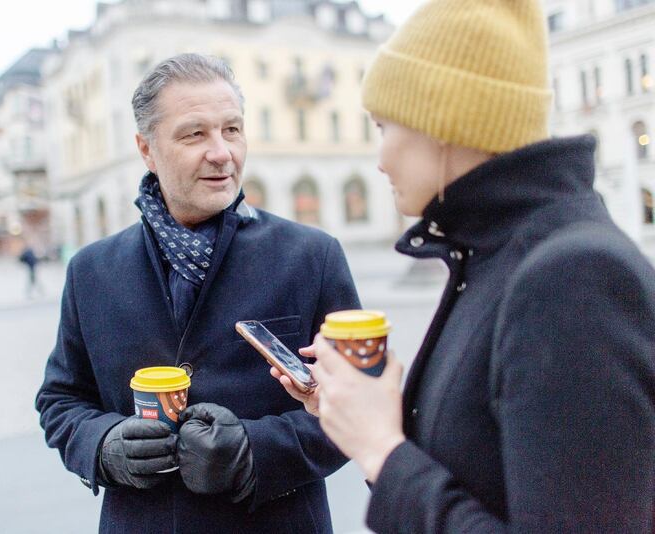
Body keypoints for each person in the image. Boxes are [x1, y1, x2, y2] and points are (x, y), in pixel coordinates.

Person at [272, 1, 655, 532]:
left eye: (383, 125)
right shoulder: (493, 253)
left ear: (442, 119)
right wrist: (357, 419)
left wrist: (383, 449)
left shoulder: (573, 276)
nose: (379, 158)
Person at [35, 53, 360, 533]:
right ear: (146, 149)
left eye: (232, 129)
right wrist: (103, 446)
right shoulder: (92, 271)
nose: (222, 152)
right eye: (195, 134)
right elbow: (61, 400)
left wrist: (255, 451)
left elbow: (358, 405)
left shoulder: (311, 256)